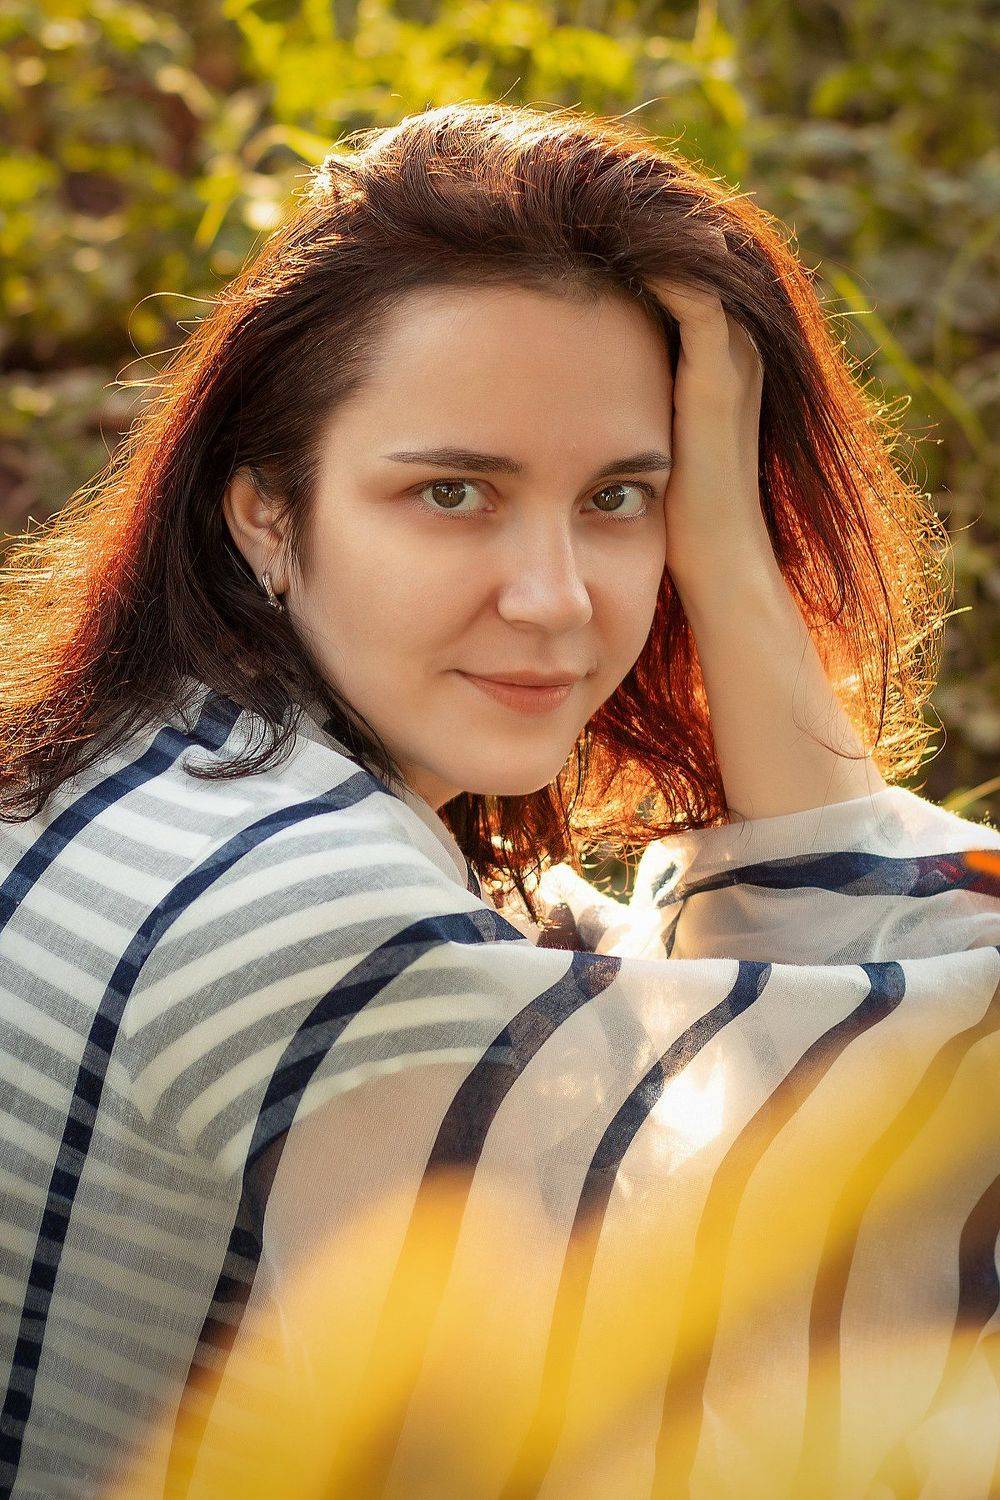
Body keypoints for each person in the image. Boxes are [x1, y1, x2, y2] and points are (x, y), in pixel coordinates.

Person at [0, 100, 996, 1499]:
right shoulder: (331, 924)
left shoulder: (135, 771)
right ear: (266, 511)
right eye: (454, 494)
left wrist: (717, 539)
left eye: (620, 499)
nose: (555, 599)